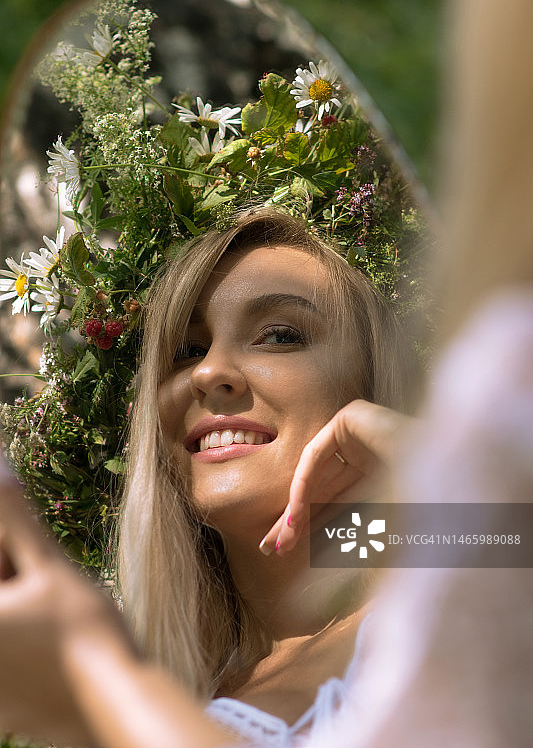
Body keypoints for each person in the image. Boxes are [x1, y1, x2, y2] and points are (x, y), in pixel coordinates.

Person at [0, 206, 412, 747]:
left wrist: (431, 464)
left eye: (280, 335)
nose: (208, 371)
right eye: (188, 351)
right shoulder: (180, 699)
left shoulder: (447, 609)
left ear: (370, 382)